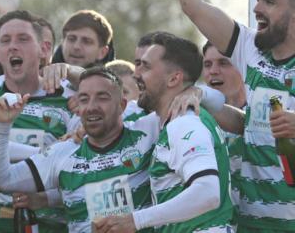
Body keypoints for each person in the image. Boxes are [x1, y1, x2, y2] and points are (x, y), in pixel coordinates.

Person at [161, 0, 295, 232]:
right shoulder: (251, 48)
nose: (256, 9)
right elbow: (195, 3)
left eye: (269, 2)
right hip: (247, 223)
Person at [0, 66, 158, 233]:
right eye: (84, 99)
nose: (91, 107)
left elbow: (172, 92)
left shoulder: (147, 131)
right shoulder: (63, 153)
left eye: (102, 98)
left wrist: (186, 95)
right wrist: (3, 125)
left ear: (121, 105)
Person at [97, 33, 233, 232]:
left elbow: (207, 192)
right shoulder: (172, 121)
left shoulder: (184, 123)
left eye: (146, 67)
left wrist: (135, 220)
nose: (136, 74)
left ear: (174, 78)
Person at [0, 10, 76, 233]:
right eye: (5, 41)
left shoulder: (68, 96)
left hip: (58, 224)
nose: (13, 46)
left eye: (23, 39)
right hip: (0, 222)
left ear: (44, 49)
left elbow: (79, 160)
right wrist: (53, 152)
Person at [202, 41, 246, 212]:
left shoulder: (265, 113)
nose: (213, 71)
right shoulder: (197, 119)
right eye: (207, 64)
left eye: (223, 63)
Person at [0, 0, 55, 83]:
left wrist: (70, 71)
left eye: (47, 44)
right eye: (6, 40)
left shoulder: (66, 90)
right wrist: (5, 12)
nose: (13, 46)